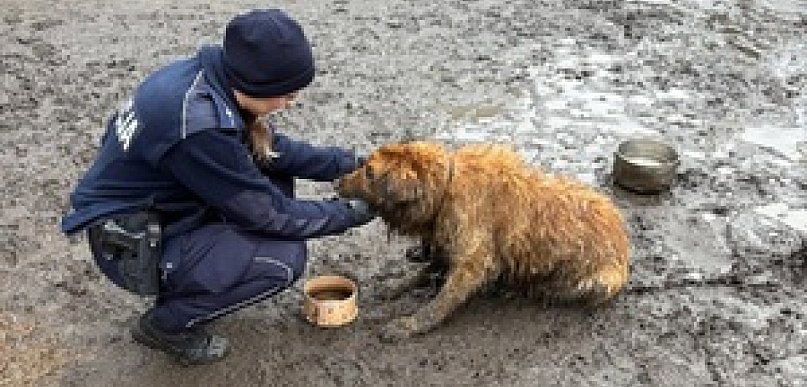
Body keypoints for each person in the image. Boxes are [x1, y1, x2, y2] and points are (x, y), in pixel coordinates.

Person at [60, 9, 375, 365]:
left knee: (272, 178)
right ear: (257, 85)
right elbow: (271, 215)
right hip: (129, 243)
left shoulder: (208, 79)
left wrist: (351, 164)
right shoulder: (201, 127)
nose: (292, 101)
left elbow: (272, 151)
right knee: (283, 258)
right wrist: (350, 212)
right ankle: (166, 325)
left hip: (152, 208)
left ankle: (197, 272)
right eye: (286, 94)